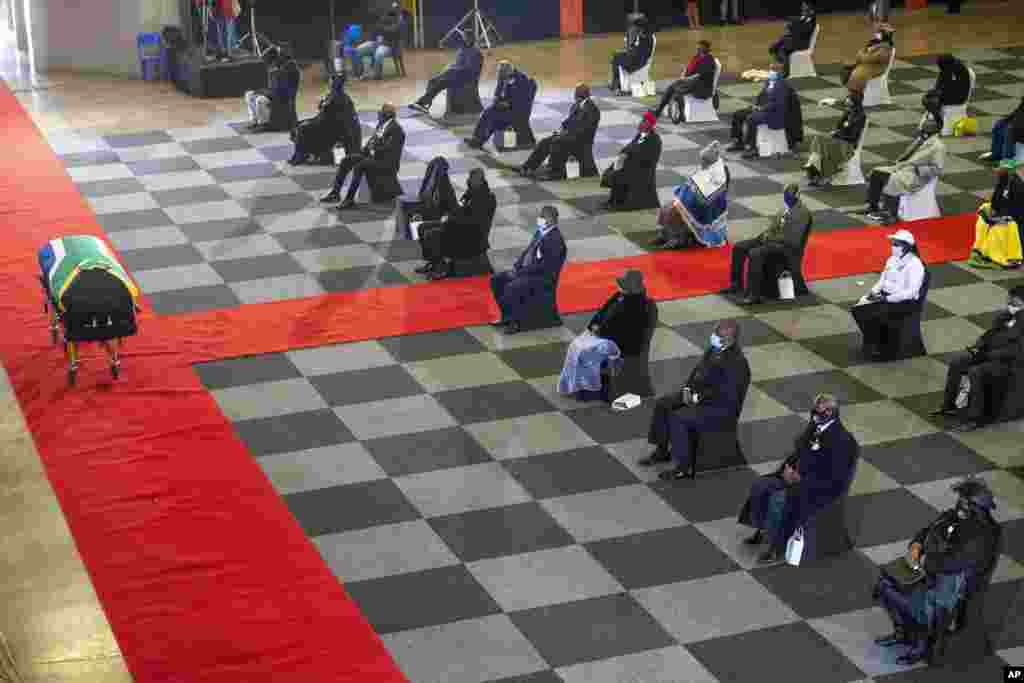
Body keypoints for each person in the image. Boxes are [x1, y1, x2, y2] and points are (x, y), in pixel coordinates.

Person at [873, 477, 1000, 666]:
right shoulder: (954, 516)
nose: (959, 504)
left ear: (976, 507)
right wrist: (917, 545)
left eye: (965, 501)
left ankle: (921, 645)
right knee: (884, 586)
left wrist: (923, 564)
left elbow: (952, 563)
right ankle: (904, 634)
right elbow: (930, 530)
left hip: (954, 588)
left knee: (912, 599)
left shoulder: (983, 535)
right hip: (932, 573)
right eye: (960, 500)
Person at [738, 394, 859, 564]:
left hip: (817, 488)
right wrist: (787, 470)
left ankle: (776, 547)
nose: (814, 416)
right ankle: (763, 529)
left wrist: (799, 479)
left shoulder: (844, 441)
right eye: (814, 412)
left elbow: (834, 478)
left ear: (831, 412)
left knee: (779, 500)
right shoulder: (814, 427)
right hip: (796, 477)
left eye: (819, 412)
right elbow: (798, 452)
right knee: (761, 485)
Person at [639, 319, 750, 481]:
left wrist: (696, 398)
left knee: (679, 418)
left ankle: (684, 467)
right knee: (664, 403)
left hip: (719, 409)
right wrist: (687, 389)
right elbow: (697, 372)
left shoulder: (737, 363)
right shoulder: (713, 349)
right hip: (696, 395)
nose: (713, 337)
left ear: (729, 339)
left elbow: (726, 394)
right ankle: (662, 451)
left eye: (717, 335)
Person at [930, 287, 1024, 431]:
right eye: (1009, 300)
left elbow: (1017, 350)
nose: (1009, 303)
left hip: (1010, 364)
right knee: (957, 362)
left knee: (976, 371)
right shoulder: (1004, 316)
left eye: (1013, 301)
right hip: (987, 354)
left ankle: (974, 418)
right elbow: (989, 334)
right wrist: (978, 345)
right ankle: (948, 406)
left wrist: (990, 355)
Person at [558, 270, 655, 399]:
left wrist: (599, 331)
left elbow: (625, 330)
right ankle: (576, 385)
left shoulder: (639, 305)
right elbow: (602, 312)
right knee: (575, 346)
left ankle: (589, 389)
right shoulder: (619, 296)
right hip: (605, 335)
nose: (621, 287)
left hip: (621, 343)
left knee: (585, 352)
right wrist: (593, 326)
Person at [725, 183, 811, 305]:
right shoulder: (785, 209)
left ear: (797, 196)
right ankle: (736, 284)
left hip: (786, 248)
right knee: (739, 247)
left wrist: (770, 239)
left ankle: (753, 294)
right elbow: (774, 227)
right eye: (785, 196)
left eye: (789, 196)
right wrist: (764, 236)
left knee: (755, 253)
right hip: (772, 240)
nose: (786, 199)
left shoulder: (802, 213)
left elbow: (792, 240)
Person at [850, 229, 927, 360]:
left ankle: (884, 349)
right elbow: (881, 281)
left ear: (906, 247)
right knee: (857, 309)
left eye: (896, 244)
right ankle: (876, 342)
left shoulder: (915, 265)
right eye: (892, 243)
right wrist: (871, 293)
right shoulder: (891, 260)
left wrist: (887, 299)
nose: (893, 247)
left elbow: (911, 292)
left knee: (869, 312)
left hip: (904, 302)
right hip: (885, 296)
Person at [490, 206, 567, 335]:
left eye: (542, 216)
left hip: (542, 278)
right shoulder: (540, 232)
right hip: (527, 271)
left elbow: (544, 266)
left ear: (550, 219)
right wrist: (517, 266)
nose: (540, 219)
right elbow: (528, 251)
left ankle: (516, 322)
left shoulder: (555, 240)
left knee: (512, 287)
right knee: (497, 280)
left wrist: (520, 273)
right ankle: (506, 316)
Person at [415, 168, 497, 280]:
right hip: (457, 226)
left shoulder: (486, 198)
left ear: (481, 180)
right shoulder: (471, 192)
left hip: (470, 234)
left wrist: (453, 217)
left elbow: (473, 222)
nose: (469, 180)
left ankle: (440, 267)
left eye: (473, 179)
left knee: (431, 234)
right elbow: (462, 211)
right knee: (421, 227)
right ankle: (433, 263)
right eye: (470, 178)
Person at [864, 113, 945, 224]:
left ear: (934, 129)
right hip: (904, 168)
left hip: (916, 175)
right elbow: (907, 155)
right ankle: (873, 207)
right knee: (877, 173)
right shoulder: (921, 140)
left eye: (929, 122)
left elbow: (937, 169)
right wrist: (899, 163)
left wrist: (918, 170)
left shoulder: (938, 146)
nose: (924, 125)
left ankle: (890, 214)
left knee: (892, 180)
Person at [319, 103, 404, 209]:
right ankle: (335, 193)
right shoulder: (381, 124)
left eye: (380, 112)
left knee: (360, 166)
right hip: (373, 156)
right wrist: (364, 150)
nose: (378, 114)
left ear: (386, 115)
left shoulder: (397, 130)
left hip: (385, 162)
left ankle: (349, 200)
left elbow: (389, 150)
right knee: (346, 160)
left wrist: (373, 149)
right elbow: (372, 142)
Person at [654, 141, 730, 249]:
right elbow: (692, 183)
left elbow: (711, 195)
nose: (702, 163)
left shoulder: (720, 174)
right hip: (694, 201)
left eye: (704, 161)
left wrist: (688, 198)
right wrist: (683, 192)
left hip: (710, 207)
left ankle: (678, 239)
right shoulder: (706, 167)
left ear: (712, 161)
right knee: (667, 207)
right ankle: (664, 235)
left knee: (676, 211)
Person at [519, 84, 600, 181]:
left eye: (577, 96)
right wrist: (560, 130)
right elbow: (568, 121)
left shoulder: (593, 110)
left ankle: (554, 172)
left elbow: (584, 130)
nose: (576, 98)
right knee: (545, 142)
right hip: (569, 136)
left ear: (582, 96)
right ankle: (528, 167)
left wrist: (564, 134)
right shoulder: (575, 106)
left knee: (556, 142)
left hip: (581, 141)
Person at [289, 73, 361, 166]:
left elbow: (325, 118)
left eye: (330, 82)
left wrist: (309, 122)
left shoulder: (337, 98)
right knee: (301, 125)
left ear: (334, 84)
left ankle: (301, 156)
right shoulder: (337, 95)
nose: (329, 83)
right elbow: (324, 114)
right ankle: (306, 154)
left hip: (336, 130)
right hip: (332, 125)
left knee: (303, 129)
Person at [726, 62, 790, 160]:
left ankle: (752, 147)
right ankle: (738, 141)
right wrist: (755, 106)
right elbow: (761, 96)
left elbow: (777, 104)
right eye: (771, 69)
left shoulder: (782, 85)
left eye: (774, 70)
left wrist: (762, 108)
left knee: (751, 119)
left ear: (780, 71)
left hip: (773, 113)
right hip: (762, 109)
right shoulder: (769, 81)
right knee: (738, 114)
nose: (771, 72)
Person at [464, 61, 534, 149]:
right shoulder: (504, 76)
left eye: (502, 74)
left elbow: (519, 102)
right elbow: (498, 92)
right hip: (506, 107)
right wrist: (497, 100)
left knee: (491, 115)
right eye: (499, 74)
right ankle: (477, 139)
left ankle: (478, 141)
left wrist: (504, 103)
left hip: (517, 111)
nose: (500, 76)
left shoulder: (521, 80)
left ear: (508, 71)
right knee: (488, 112)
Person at [408, 33, 483, 115]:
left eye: (468, 38)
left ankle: (421, 103)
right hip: (456, 74)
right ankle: (426, 105)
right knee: (433, 80)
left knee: (442, 82)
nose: (466, 39)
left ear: (472, 39)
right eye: (465, 38)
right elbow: (456, 63)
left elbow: (471, 71)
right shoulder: (462, 49)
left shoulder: (476, 52)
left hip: (467, 78)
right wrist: (449, 69)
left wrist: (452, 70)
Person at [601, 112, 662, 211]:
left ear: (650, 125)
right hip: (631, 164)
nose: (641, 123)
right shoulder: (640, 135)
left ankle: (617, 203)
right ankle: (613, 201)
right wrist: (622, 154)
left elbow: (647, 158)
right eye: (642, 120)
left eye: (644, 121)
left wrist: (627, 160)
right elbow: (630, 146)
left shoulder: (654, 140)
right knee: (612, 170)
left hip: (642, 170)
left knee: (618, 174)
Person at [804, 93, 868, 187]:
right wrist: (841, 125)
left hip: (847, 145)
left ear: (855, 104)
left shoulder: (860, 117)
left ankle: (815, 168)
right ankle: (814, 168)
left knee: (821, 142)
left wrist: (837, 133)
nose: (846, 106)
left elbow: (852, 136)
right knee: (821, 142)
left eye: (848, 104)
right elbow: (839, 126)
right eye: (846, 104)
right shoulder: (850, 112)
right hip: (840, 139)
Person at [969, 161, 1024, 269]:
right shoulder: (1009, 183)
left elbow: (1013, 207)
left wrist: (999, 214)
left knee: (996, 222)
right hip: (1007, 217)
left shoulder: (1013, 184)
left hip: (1009, 219)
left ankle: (993, 254)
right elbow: (998, 200)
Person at [651, 41, 716, 120]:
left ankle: (682, 114)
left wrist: (685, 79)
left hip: (702, 86)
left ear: (706, 48)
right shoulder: (697, 56)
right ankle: (659, 110)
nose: (698, 48)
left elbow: (699, 75)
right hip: (691, 82)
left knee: (677, 92)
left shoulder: (709, 59)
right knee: (670, 88)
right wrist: (683, 74)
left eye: (700, 47)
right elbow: (688, 67)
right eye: (698, 46)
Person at [243, 45, 301, 133]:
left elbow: (279, 92)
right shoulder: (277, 68)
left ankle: (264, 124)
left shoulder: (288, 69)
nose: (269, 65)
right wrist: (260, 91)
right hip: (274, 94)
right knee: (249, 94)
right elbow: (272, 88)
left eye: (270, 62)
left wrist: (262, 93)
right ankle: (255, 121)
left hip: (282, 98)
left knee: (260, 99)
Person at [351, 2, 404, 80]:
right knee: (358, 50)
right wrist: (377, 33)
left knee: (379, 53)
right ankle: (360, 73)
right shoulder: (383, 18)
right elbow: (375, 31)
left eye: (395, 9)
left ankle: (376, 75)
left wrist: (382, 31)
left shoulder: (399, 20)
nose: (393, 10)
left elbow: (393, 30)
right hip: (375, 43)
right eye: (392, 9)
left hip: (389, 45)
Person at [610, 13, 654, 94]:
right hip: (643, 61)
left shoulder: (641, 35)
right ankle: (616, 84)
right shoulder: (650, 35)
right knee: (618, 56)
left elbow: (633, 50)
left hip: (636, 63)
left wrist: (628, 47)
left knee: (615, 57)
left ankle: (616, 86)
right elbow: (636, 50)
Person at [844, 27, 894, 98]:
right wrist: (865, 52)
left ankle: (856, 96)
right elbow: (861, 54)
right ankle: (852, 94)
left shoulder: (885, 48)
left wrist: (865, 53)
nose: (876, 35)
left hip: (875, 68)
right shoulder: (874, 43)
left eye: (879, 33)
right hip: (867, 65)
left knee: (858, 74)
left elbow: (871, 58)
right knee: (847, 70)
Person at [922, 54, 971, 127]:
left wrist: (938, 93)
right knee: (927, 98)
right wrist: (935, 91)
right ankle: (936, 117)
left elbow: (955, 88)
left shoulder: (958, 69)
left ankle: (938, 120)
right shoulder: (948, 68)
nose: (939, 68)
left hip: (958, 97)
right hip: (949, 93)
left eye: (940, 66)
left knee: (930, 100)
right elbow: (940, 83)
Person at [771, 2, 817, 73]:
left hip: (802, 44)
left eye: (804, 6)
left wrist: (791, 26)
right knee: (780, 45)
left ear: (810, 8)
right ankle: (782, 66)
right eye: (802, 6)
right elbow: (797, 21)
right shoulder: (805, 17)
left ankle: (785, 70)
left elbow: (803, 30)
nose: (802, 8)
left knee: (782, 48)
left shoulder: (811, 20)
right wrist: (789, 22)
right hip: (796, 41)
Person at [980, 97, 1024, 163]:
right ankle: (996, 154)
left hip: (1019, 127)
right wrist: (1005, 120)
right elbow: (1018, 111)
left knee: (1010, 130)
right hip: (1019, 123)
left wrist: (1015, 125)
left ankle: (1007, 161)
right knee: (999, 124)